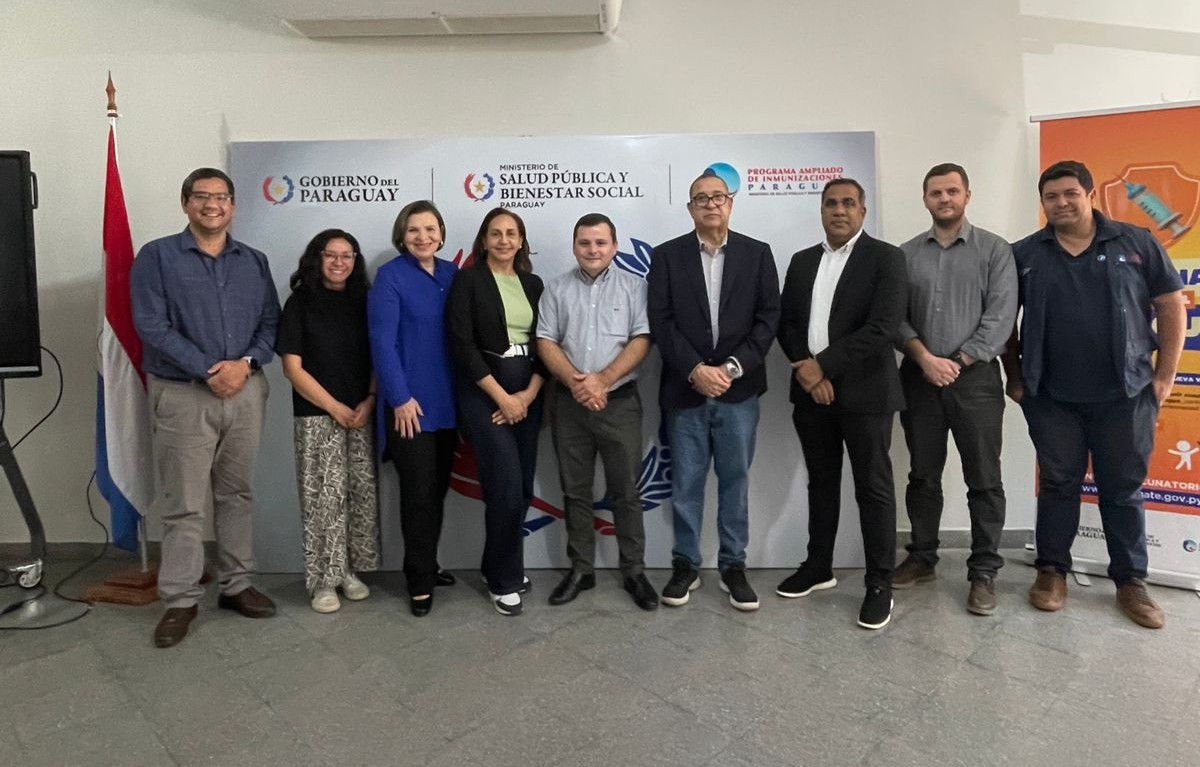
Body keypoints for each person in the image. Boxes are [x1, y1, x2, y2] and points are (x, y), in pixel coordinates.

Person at [1003, 160, 1185, 629]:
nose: (1061, 203)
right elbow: (1004, 322)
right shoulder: (1025, 254)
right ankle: (1051, 572)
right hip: (1051, 397)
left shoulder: (1136, 242)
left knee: (1122, 489)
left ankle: (1130, 581)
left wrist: (1165, 376)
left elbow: (1171, 305)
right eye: (1051, 197)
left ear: (1090, 195)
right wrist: (1015, 376)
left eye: (1070, 193)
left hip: (1125, 393)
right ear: (1042, 204)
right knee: (1058, 484)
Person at [130, 167, 280, 648]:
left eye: (221, 196)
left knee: (236, 493)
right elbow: (150, 325)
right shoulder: (156, 257)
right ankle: (180, 599)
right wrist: (209, 369)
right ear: (185, 203)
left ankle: (236, 584)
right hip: (184, 395)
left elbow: (270, 322)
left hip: (245, 392)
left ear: (233, 205)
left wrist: (245, 364)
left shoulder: (253, 261)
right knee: (184, 503)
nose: (212, 204)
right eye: (201, 196)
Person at [776, 178, 907, 630]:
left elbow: (883, 327)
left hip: (867, 394)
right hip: (811, 393)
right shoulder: (802, 261)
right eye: (831, 203)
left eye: (848, 203)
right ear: (821, 210)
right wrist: (807, 370)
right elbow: (787, 323)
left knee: (873, 488)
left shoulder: (886, 258)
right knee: (821, 483)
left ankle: (879, 583)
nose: (839, 210)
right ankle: (818, 566)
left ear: (862, 212)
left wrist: (824, 367)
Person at [647, 171, 780, 612]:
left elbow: (768, 319)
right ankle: (685, 564)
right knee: (686, 482)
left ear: (730, 202)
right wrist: (695, 370)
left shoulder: (758, 254)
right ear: (690, 208)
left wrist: (732, 368)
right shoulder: (667, 256)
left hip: (739, 391)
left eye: (717, 196)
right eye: (700, 198)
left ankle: (732, 565)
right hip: (685, 390)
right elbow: (661, 320)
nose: (710, 204)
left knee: (735, 480)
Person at [895, 163, 1017, 615]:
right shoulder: (905, 254)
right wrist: (926, 360)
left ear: (967, 195)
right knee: (923, 474)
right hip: (919, 376)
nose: (944, 199)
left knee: (983, 478)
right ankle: (922, 557)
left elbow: (1001, 317)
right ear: (925, 199)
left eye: (952, 191)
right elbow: (894, 316)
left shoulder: (995, 250)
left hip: (976, 380)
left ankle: (983, 571)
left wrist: (959, 361)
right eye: (935, 192)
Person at [537, 213, 658, 611]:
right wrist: (578, 383)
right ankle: (581, 569)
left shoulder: (635, 287)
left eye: (601, 242)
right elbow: (546, 341)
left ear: (614, 246)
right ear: (574, 246)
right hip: (569, 403)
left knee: (626, 491)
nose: (593, 250)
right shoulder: (556, 289)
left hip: (619, 403)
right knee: (575, 490)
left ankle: (634, 571)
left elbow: (642, 339)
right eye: (585, 243)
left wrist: (602, 381)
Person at [447, 207, 546, 616]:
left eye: (511, 233)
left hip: (528, 391)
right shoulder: (468, 281)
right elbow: (462, 345)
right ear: (484, 240)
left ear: (521, 241)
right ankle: (504, 582)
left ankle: (499, 567)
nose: (504, 240)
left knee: (521, 489)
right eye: (495, 233)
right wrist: (503, 398)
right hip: (484, 392)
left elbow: (547, 342)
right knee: (504, 487)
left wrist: (527, 395)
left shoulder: (533, 284)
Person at [278, 229, 379, 614]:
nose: (339, 262)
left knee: (357, 495)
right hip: (318, 415)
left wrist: (370, 399)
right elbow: (292, 368)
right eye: (331, 255)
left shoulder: (365, 300)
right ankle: (323, 580)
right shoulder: (300, 302)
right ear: (317, 258)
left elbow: (379, 355)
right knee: (323, 499)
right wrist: (334, 407)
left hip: (360, 413)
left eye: (347, 255)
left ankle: (348, 571)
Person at [368, 201, 459, 617]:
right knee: (418, 495)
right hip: (410, 407)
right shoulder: (390, 277)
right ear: (401, 236)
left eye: (430, 229)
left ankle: (429, 563)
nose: (423, 237)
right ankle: (418, 580)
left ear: (441, 233)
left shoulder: (452, 274)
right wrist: (400, 398)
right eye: (413, 230)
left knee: (437, 491)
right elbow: (382, 343)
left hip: (448, 403)